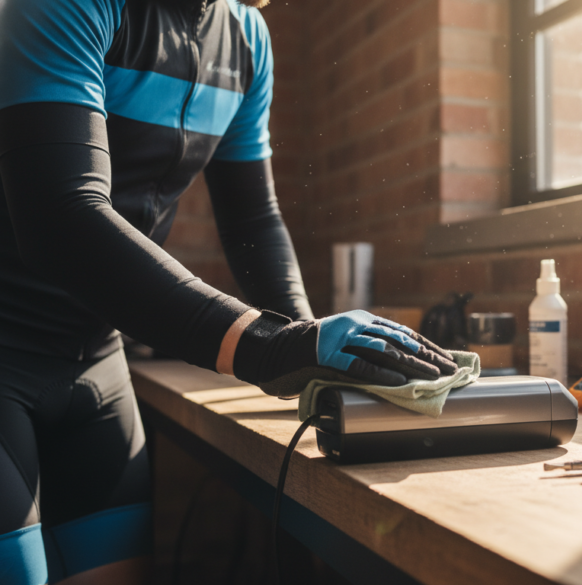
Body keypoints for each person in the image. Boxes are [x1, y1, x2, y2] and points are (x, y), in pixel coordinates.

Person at [0, 1, 456, 583]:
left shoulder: (246, 40)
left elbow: (252, 221)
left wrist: (306, 351)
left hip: (96, 362)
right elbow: (60, 220)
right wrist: (266, 346)